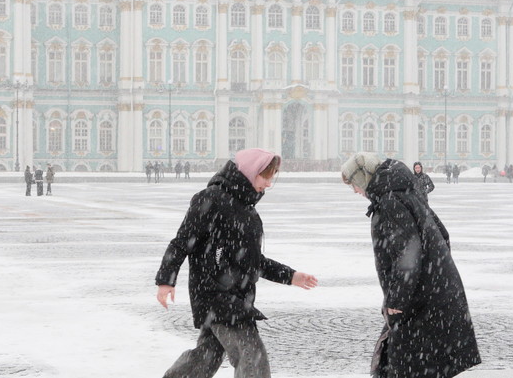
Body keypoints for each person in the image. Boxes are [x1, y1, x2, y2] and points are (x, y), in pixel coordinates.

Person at [156, 148, 318, 378]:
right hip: (218, 295)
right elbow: (182, 242)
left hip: (235, 295)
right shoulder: (210, 199)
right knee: (252, 355)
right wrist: (166, 280)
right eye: (266, 176)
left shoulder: (247, 210)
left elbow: (251, 261)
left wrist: (291, 276)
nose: (269, 184)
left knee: (206, 356)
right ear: (251, 173)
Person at [340, 154, 481, 378]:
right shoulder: (406, 192)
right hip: (431, 294)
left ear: (365, 178)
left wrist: (397, 298)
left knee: (403, 366)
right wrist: (435, 274)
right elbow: (442, 234)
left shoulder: (389, 202)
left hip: (417, 302)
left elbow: (408, 254)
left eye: (355, 185)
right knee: (418, 366)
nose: (356, 191)